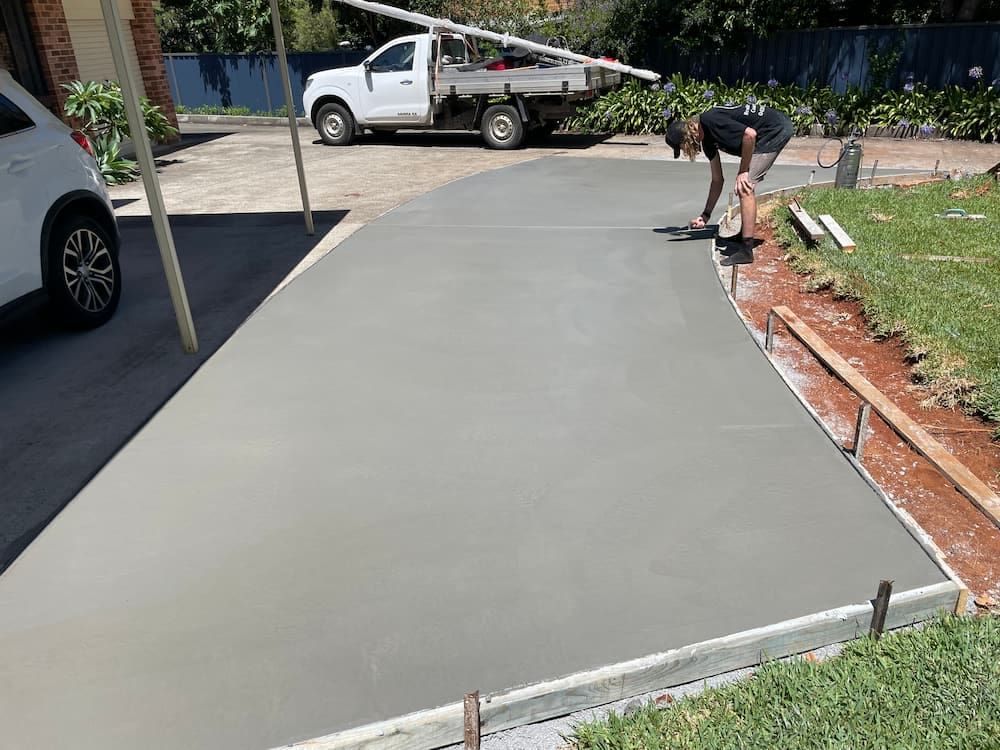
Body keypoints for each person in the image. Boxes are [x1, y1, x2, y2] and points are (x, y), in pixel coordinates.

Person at [665, 103, 794, 266]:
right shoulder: (707, 141)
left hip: (775, 129)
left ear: (688, 137)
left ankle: (746, 250)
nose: (689, 152)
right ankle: (743, 236)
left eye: (685, 148)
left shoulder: (711, 120)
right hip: (768, 130)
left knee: (744, 186)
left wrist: (743, 171)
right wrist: (705, 215)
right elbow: (717, 180)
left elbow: (750, 135)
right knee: (744, 185)